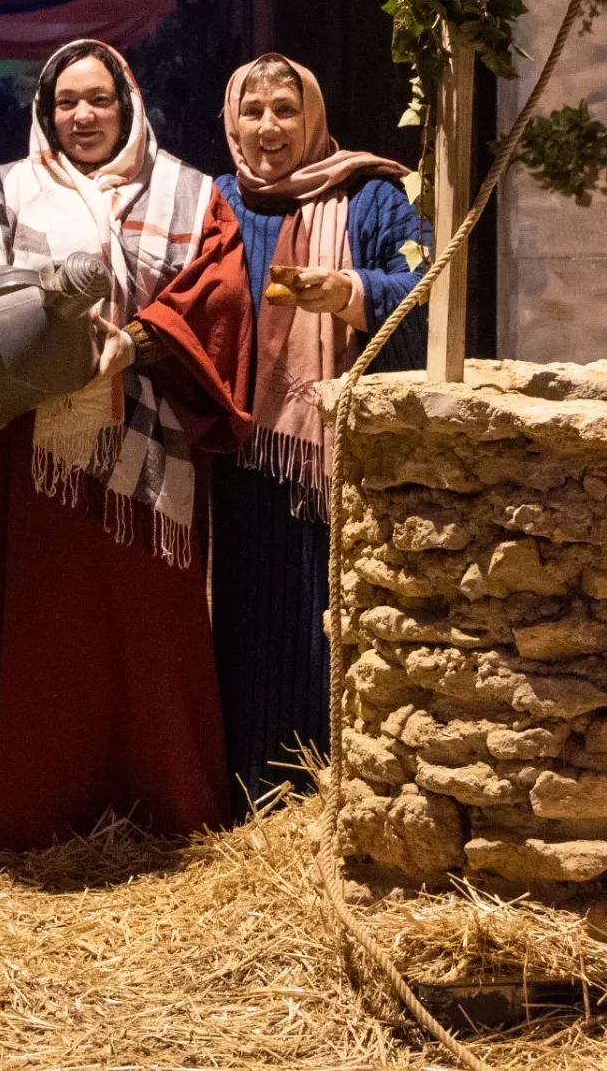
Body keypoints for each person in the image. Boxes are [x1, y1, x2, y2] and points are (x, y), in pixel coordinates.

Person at [0, 39, 253, 847]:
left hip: (150, 448)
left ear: (127, 102)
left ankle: (165, 798)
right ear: (45, 111)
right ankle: (46, 808)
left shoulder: (184, 193)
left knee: (150, 629)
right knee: (47, 631)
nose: (82, 116)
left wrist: (137, 342)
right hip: (39, 453)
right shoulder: (8, 189)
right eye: (66, 102)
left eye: (98, 99)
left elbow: (217, 286)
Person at [213, 54, 431, 811]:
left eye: (286, 110)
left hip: (338, 467)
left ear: (314, 117)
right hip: (241, 462)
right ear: (231, 122)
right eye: (254, 111)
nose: (270, 128)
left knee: (330, 625)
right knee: (246, 625)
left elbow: (429, 292)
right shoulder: (214, 203)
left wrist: (352, 291)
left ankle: (335, 797)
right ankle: (250, 797)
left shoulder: (371, 198)